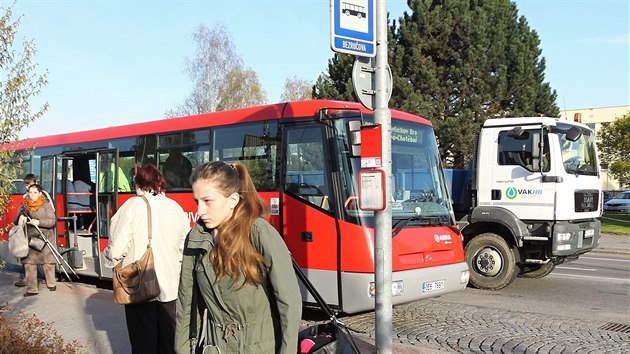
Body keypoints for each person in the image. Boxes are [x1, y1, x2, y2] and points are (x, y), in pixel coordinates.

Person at [174, 161, 302, 354]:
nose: (200, 211)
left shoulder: (259, 233)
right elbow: (186, 302)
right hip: (215, 348)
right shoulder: (196, 239)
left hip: (260, 348)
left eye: (208, 201)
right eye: (196, 202)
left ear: (233, 200)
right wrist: (182, 349)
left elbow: (289, 302)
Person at [104, 164, 190, 354]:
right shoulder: (175, 207)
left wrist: (108, 258)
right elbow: (186, 244)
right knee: (168, 342)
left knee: (144, 342)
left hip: (140, 285)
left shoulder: (133, 205)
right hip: (170, 287)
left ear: (139, 184)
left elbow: (117, 248)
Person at [14, 183, 57, 296]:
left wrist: (39, 222)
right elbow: (15, 221)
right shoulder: (24, 205)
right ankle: (32, 289)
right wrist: (21, 219)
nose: (32, 194)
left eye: (35, 192)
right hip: (29, 239)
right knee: (29, 264)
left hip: (44, 238)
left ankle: (51, 283)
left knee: (48, 263)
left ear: (40, 193)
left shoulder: (46, 205)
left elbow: (52, 221)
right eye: (30, 192)